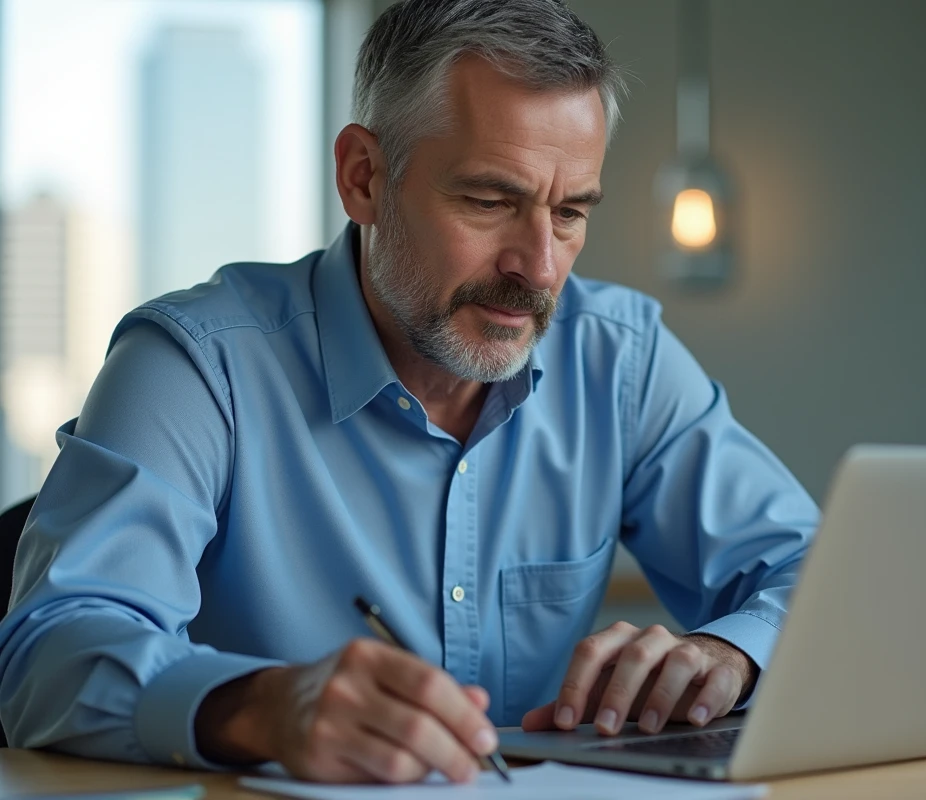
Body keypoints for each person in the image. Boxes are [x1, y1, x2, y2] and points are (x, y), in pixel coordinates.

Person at [0, 0, 818, 785]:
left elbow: (812, 569)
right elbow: (52, 653)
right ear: (362, 178)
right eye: (490, 201)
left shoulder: (619, 360)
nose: (537, 267)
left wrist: (736, 652)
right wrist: (264, 709)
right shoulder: (194, 367)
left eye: (570, 212)